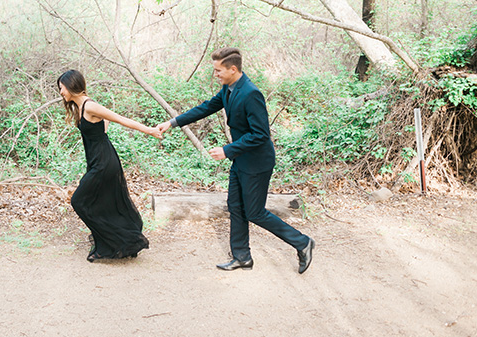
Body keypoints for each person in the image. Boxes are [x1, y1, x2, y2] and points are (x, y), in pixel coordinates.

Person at [157, 47, 315, 274]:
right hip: (241, 159)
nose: (216, 75)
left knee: (255, 212)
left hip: (257, 162)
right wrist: (173, 123)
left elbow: (261, 135)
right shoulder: (228, 89)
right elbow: (206, 107)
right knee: (236, 207)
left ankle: (302, 242)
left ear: (233, 69)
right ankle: (242, 257)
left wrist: (227, 149)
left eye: (218, 70)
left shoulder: (251, 93)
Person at [58, 69, 160, 262]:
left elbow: (120, 119)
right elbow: (103, 126)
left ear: (71, 86)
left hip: (104, 163)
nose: (61, 92)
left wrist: (150, 130)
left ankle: (113, 242)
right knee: (101, 201)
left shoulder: (90, 106)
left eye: (62, 88)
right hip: (97, 160)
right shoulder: (80, 108)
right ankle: (111, 241)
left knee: (79, 200)